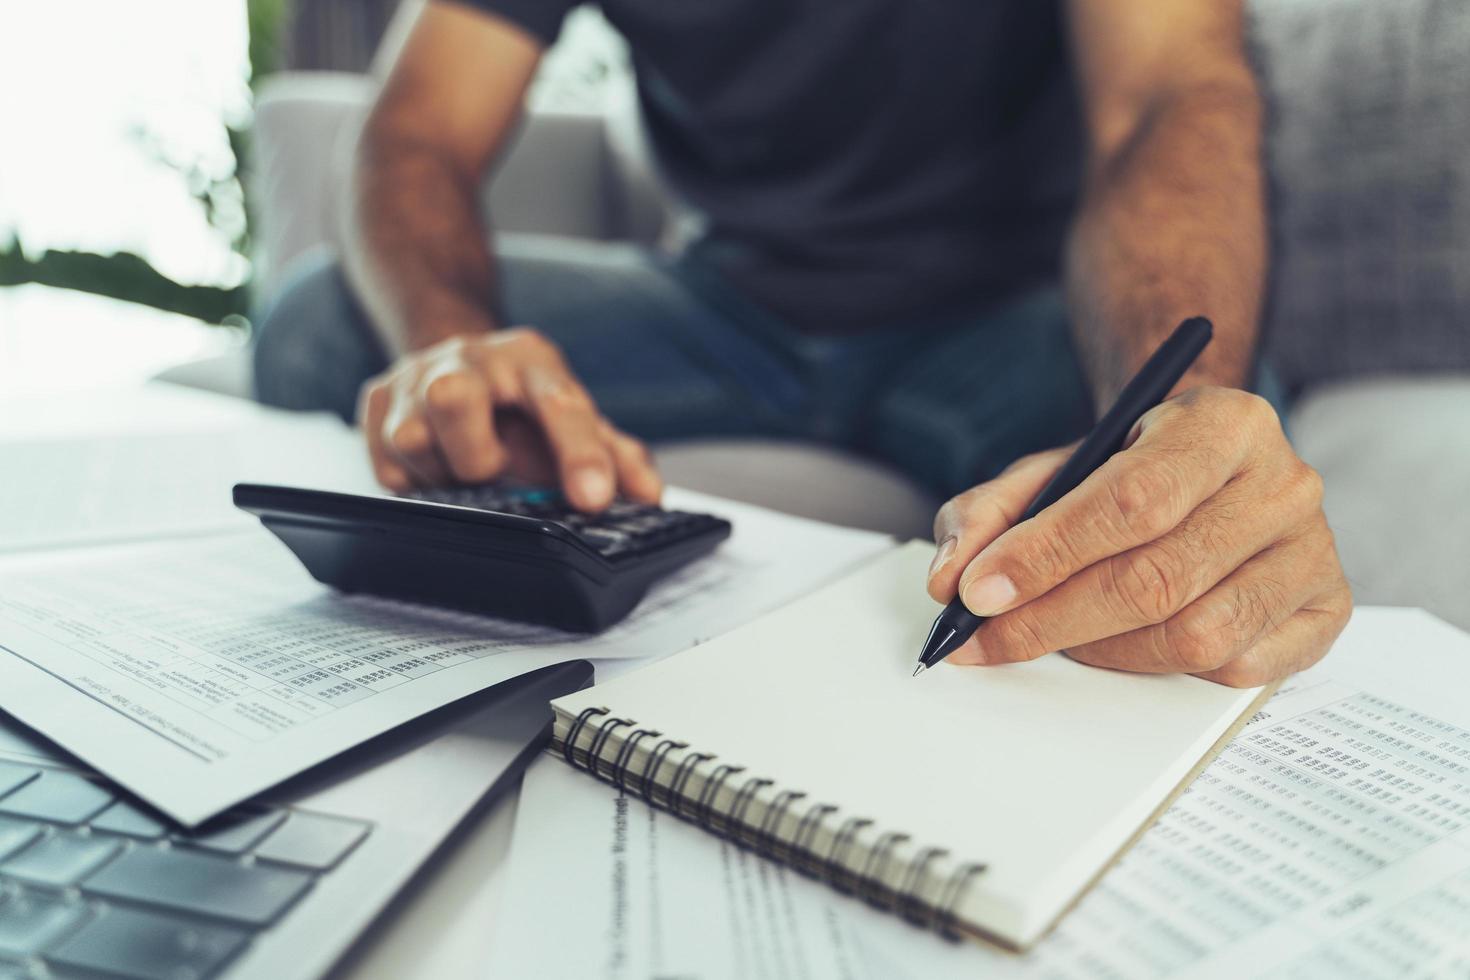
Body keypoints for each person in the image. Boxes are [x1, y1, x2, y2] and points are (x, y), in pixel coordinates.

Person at [253, 0, 1351, 686]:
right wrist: (455, 347)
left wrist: (1180, 411)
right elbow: (416, 130)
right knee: (320, 322)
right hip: (726, 307)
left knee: (1209, 497)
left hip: (1016, 315)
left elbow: (1169, 91)